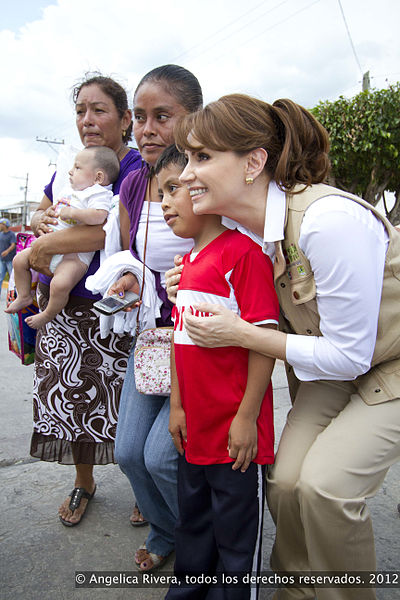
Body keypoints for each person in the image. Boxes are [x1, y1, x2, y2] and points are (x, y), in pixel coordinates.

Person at [166, 94, 400, 600]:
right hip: (333, 372)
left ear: (253, 163)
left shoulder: (325, 219)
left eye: (202, 157)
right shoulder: (255, 236)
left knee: (326, 489)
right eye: (187, 159)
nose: (185, 175)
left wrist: (241, 334)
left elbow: (351, 354)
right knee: (285, 483)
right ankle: (295, 591)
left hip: (386, 365)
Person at [155, 144, 279, 599]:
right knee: (194, 526)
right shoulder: (186, 265)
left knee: (235, 540)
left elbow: (263, 342)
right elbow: (180, 341)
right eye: (161, 192)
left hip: (235, 439)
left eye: (175, 188)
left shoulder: (243, 255)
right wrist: (177, 405)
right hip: (195, 432)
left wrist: (247, 418)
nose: (165, 202)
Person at [27, 74, 143, 527]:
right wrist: (40, 223)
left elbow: (102, 231)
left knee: (127, 401)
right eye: (80, 111)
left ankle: (143, 487)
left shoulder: (133, 168)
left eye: (99, 110)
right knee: (74, 398)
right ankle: (84, 482)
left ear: (124, 118)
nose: (88, 120)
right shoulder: (70, 168)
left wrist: (48, 245)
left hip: (115, 305)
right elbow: (44, 209)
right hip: (65, 304)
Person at [110, 65, 203, 571]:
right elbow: (133, 257)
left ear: (193, 118)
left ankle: (198, 536)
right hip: (150, 341)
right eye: (140, 117)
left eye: (162, 116)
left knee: (163, 457)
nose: (146, 129)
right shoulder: (131, 187)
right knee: (128, 453)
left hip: (199, 339)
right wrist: (131, 278)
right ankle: (167, 526)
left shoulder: (209, 183)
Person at [6, 146, 119, 329]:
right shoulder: (69, 189)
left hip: (74, 256)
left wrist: (74, 213)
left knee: (60, 284)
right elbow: (46, 209)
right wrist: (47, 215)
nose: (70, 171)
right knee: (19, 261)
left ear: (98, 177)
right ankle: (24, 295)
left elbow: (99, 216)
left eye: (77, 167)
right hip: (51, 246)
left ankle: (49, 313)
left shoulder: (99, 193)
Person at [0, 217, 16, 297]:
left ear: (5, 225)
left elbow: (13, 245)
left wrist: (7, 251)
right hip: (2, 260)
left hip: (9, 259)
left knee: (12, 278)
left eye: (1, 224)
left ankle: (12, 295)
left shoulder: (11, 234)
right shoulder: (1, 234)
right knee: (0, 277)